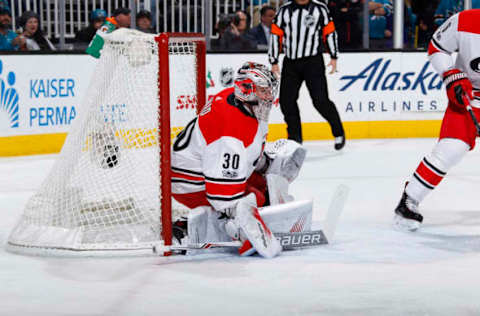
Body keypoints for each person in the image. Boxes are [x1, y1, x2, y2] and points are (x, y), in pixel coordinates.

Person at [170, 62, 305, 258]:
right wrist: (244, 221)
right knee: (255, 199)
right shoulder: (231, 133)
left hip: (204, 168)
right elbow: (222, 196)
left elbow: (245, 151)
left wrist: (265, 164)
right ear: (246, 89)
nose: (269, 97)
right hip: (191, 185)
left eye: (269, 90)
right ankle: (186, 227)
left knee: (261, 184)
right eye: (263, 91)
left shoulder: (238, 101)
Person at [394, 9, 480, 231]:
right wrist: (450, 73)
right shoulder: (465, 20)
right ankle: (409, 200)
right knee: (451, 149)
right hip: (467, 98)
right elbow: (437, 48)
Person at [269, 0, 346, 150]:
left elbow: (329, 32)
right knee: (286, 101)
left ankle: (338, 132)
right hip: (291, 62)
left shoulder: (320, 9)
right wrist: (274, 60)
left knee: (320, 100)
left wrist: (334, 56)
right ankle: (295, 138)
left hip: (313, 62)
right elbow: (275, 34)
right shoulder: (284, 11)